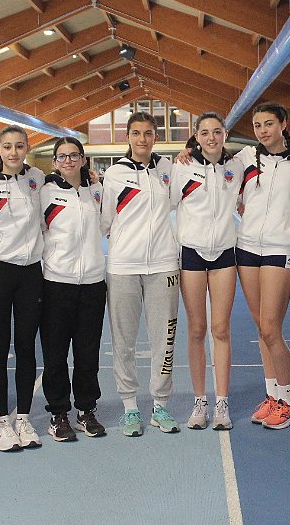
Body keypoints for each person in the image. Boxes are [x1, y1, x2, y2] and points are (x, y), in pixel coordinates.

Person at [101, 112, 181, 437]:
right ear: (128, 137)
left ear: (155, 136)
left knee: (165, 339)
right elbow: (105, 220)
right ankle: (130, 407)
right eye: (136, 133)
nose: (142, 139)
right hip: (123, 267)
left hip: (163, 265)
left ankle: (160, 405)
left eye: (148, 133)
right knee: (124, 341)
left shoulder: (169, 170)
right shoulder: (114, 174)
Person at [236, 102, 290, 429]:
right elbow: (216, 170)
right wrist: (188, 151)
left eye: (268, 123)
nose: (263, 130)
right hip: (248, 248)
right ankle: (273, 397)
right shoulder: (245, 158)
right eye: (257, 125)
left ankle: (289, 404)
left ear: (283, 124)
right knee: (261, 329)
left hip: (281, 249)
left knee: (270, 328)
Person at [0, 126, 45, 451]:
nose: (14, 152)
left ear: (27, 148)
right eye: (7, 147)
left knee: (27, 347)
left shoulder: (37, 179)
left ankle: (24, 419)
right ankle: (3, 421)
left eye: (19, 146)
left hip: (30, 273)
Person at [171, 113, 239, 431]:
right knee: (197, 329)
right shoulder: (182, 167)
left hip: (225, 253)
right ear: (196, 136)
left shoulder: (236, 166)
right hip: (192, 254)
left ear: (225, 134)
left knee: (221, 329)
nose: (211, 137)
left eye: (217, 131)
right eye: (205, 132)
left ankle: (222, 403)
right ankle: (200, 401)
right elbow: (166, 205)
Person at [39, 137, 108, 442]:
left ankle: (86, 410)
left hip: (92, 284)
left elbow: (107, 225)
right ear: (54, 161)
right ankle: (58, 413)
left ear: (83, 159)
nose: (68, 161)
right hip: (56, 283)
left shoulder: (97, 191)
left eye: (73, 155)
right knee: (55, 354)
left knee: (87, 353)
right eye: (62, 156)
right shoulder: (44, 192)